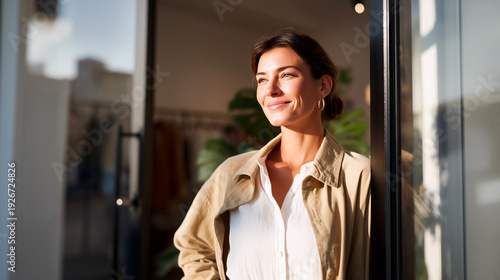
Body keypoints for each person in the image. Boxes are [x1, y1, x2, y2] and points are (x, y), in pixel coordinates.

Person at [174, 28, 370, 280]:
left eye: (287, 74)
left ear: (323, 85)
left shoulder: (358, 177)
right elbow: (195, 248)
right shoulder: (232, 173)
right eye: (262, 80)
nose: (271, 90)